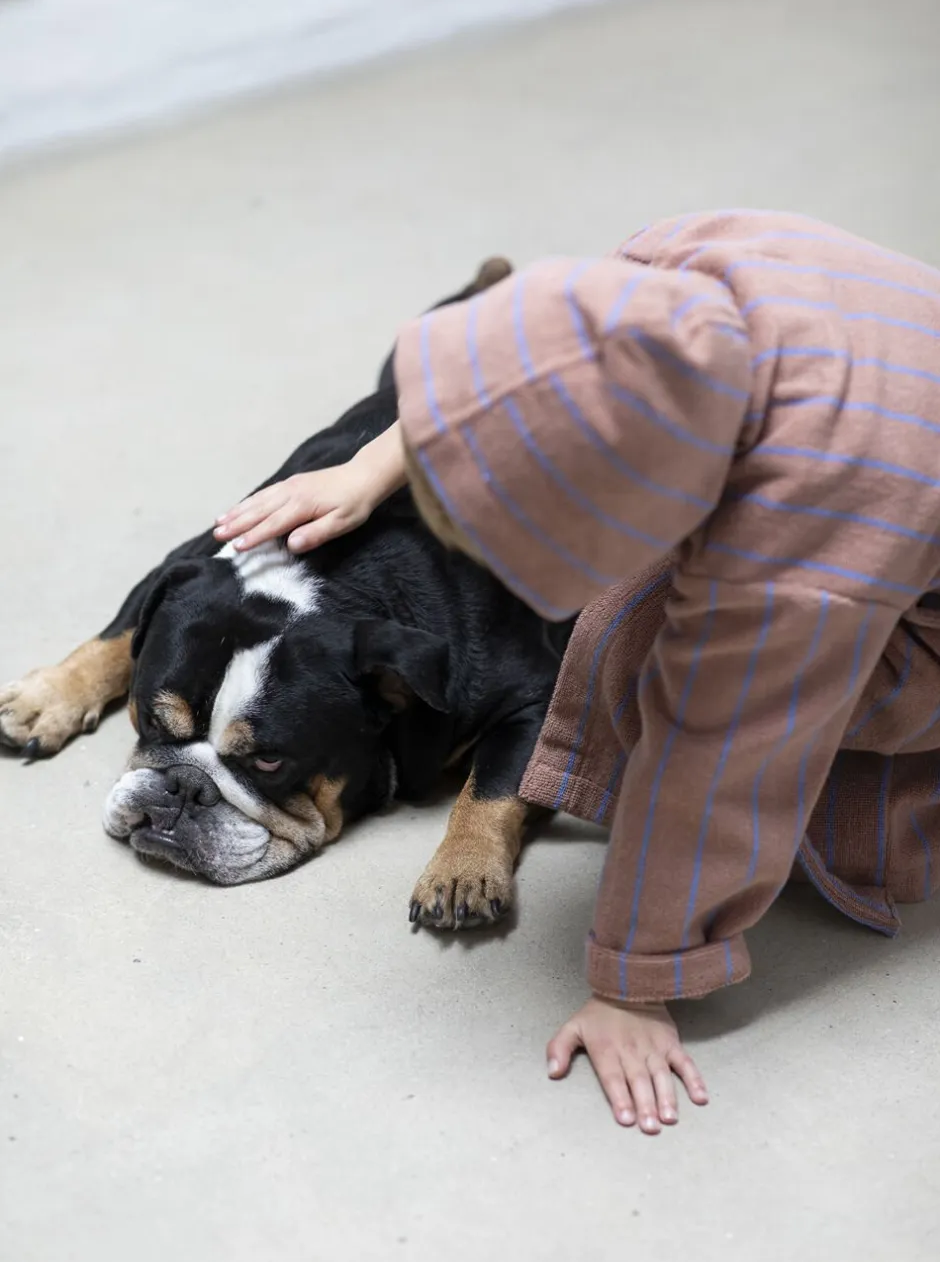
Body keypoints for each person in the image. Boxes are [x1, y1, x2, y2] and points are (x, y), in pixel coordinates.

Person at [216, 210, 940, 1134]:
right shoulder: (676, 263)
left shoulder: (797, 561)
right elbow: (538, 357)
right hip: (892, 404)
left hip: (908, 581)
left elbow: (721, 759)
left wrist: (635, 984)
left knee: (649, 651)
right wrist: (371, 466)